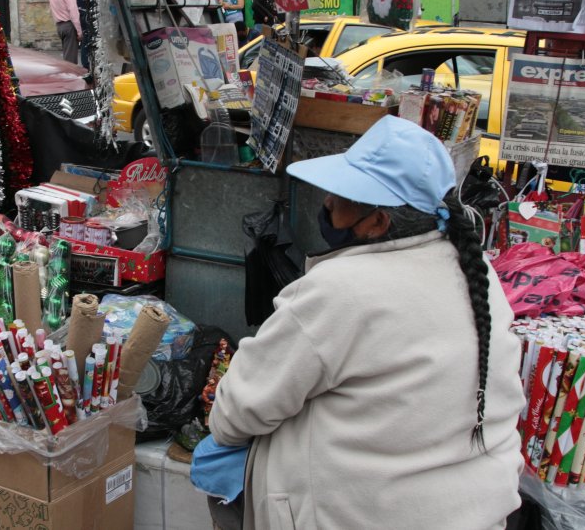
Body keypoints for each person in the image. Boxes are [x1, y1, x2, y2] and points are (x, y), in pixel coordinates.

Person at [204, 116, 525, 529]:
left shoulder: (340, 290)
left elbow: (235, 415)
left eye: (340, 198)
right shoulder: (475, 269)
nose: (327, 205)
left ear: (377, 223)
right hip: (473, 513)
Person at [49, 0, 82, 64]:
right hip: (69, 26)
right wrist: (79, 32)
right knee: (71, 59)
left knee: (67, 54)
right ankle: (70, 78)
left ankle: (68, 75)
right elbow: (74, 13)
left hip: (59, 26)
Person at [72, 0, 93, 69]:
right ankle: (86, 62)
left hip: (81, 12)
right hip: (85, 13)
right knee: (87, 38)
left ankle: (85, 62)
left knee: (85, 38)